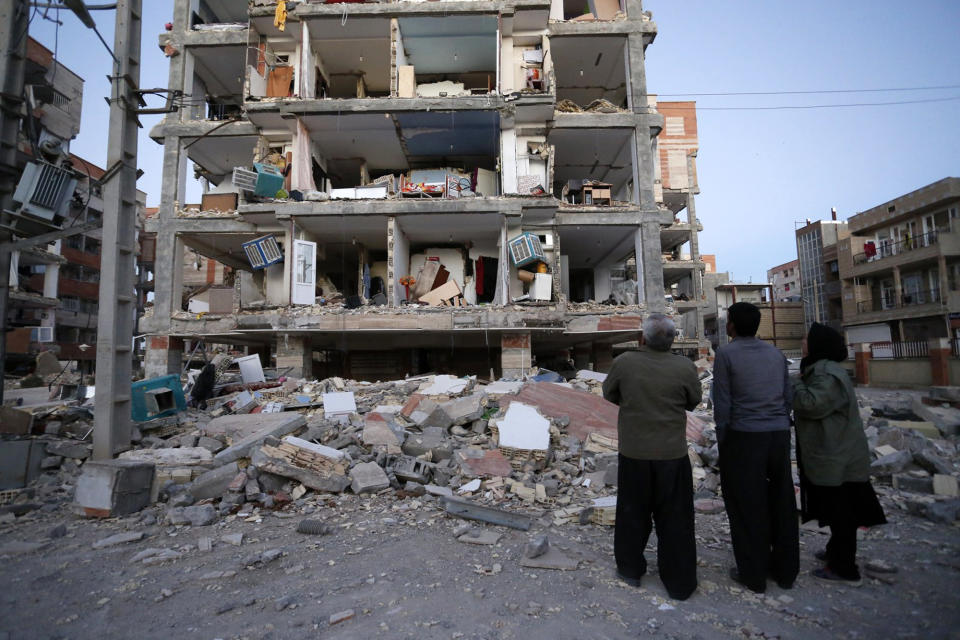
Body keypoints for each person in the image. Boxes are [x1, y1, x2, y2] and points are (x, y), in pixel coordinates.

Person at [602, 313, 702, 600]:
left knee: (632, 513)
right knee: (676, 519)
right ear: (673, 340)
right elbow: (693, 401)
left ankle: (630, 570)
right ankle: (680, 582)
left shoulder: (625, 363)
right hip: (672, 455)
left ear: (642, 338)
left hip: (634, 453)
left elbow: (610, 394)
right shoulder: (685, 367)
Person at [713, 302, 798, 593]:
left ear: (732, 326)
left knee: (747, 505)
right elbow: (788, 396)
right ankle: (785, 571)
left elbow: (722, 404)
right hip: (777, 435)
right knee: (782, 501)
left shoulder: (725, 354)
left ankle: (754, 573)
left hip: (744, 437)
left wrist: (724, 441)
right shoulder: (776, 354)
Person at [793, 322, 886, 584]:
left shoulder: (826, 374)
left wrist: (795, 385)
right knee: (839, 511)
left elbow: (811, 405)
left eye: (805, 340)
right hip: (836, 454)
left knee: (842, 515)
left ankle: (844, 568)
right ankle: (836, 553)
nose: (802, 344)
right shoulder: (823, 370)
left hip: (837, 457)